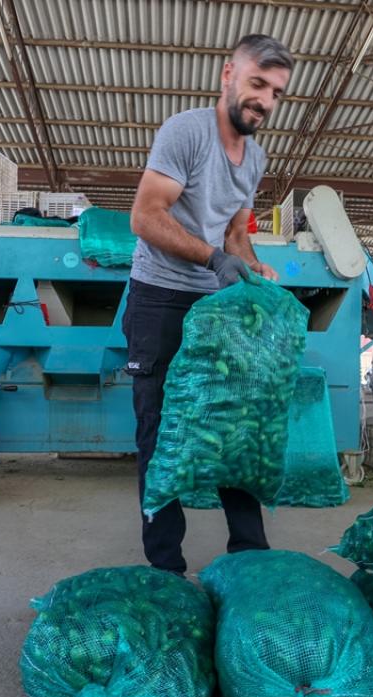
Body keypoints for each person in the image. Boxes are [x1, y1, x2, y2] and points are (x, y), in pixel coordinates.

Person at [122, 35, 294, 574]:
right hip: (162, 299)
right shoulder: (187, 132)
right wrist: (212, 259)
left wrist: (250, 264)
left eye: (276, 92)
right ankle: (167, 565)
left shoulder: (257, 155)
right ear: (228, 76)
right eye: (257, 83)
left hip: (217, 309)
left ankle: (248, 554)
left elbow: (236, 232)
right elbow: (146, 216)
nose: (264, 99)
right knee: (162, 428)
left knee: (237, 420)